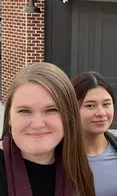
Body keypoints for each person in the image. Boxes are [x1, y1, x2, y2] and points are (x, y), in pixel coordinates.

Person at [0, 62, 95, 196]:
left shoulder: (79, 170)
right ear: (9, 117)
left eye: (51, 110)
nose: (37, 124)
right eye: (24, 111)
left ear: (69, 116)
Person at [71, 71, 117, 196]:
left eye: (106, 104)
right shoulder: (57, 154)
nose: (101, 113)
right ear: (72, 108)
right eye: (90, 106)